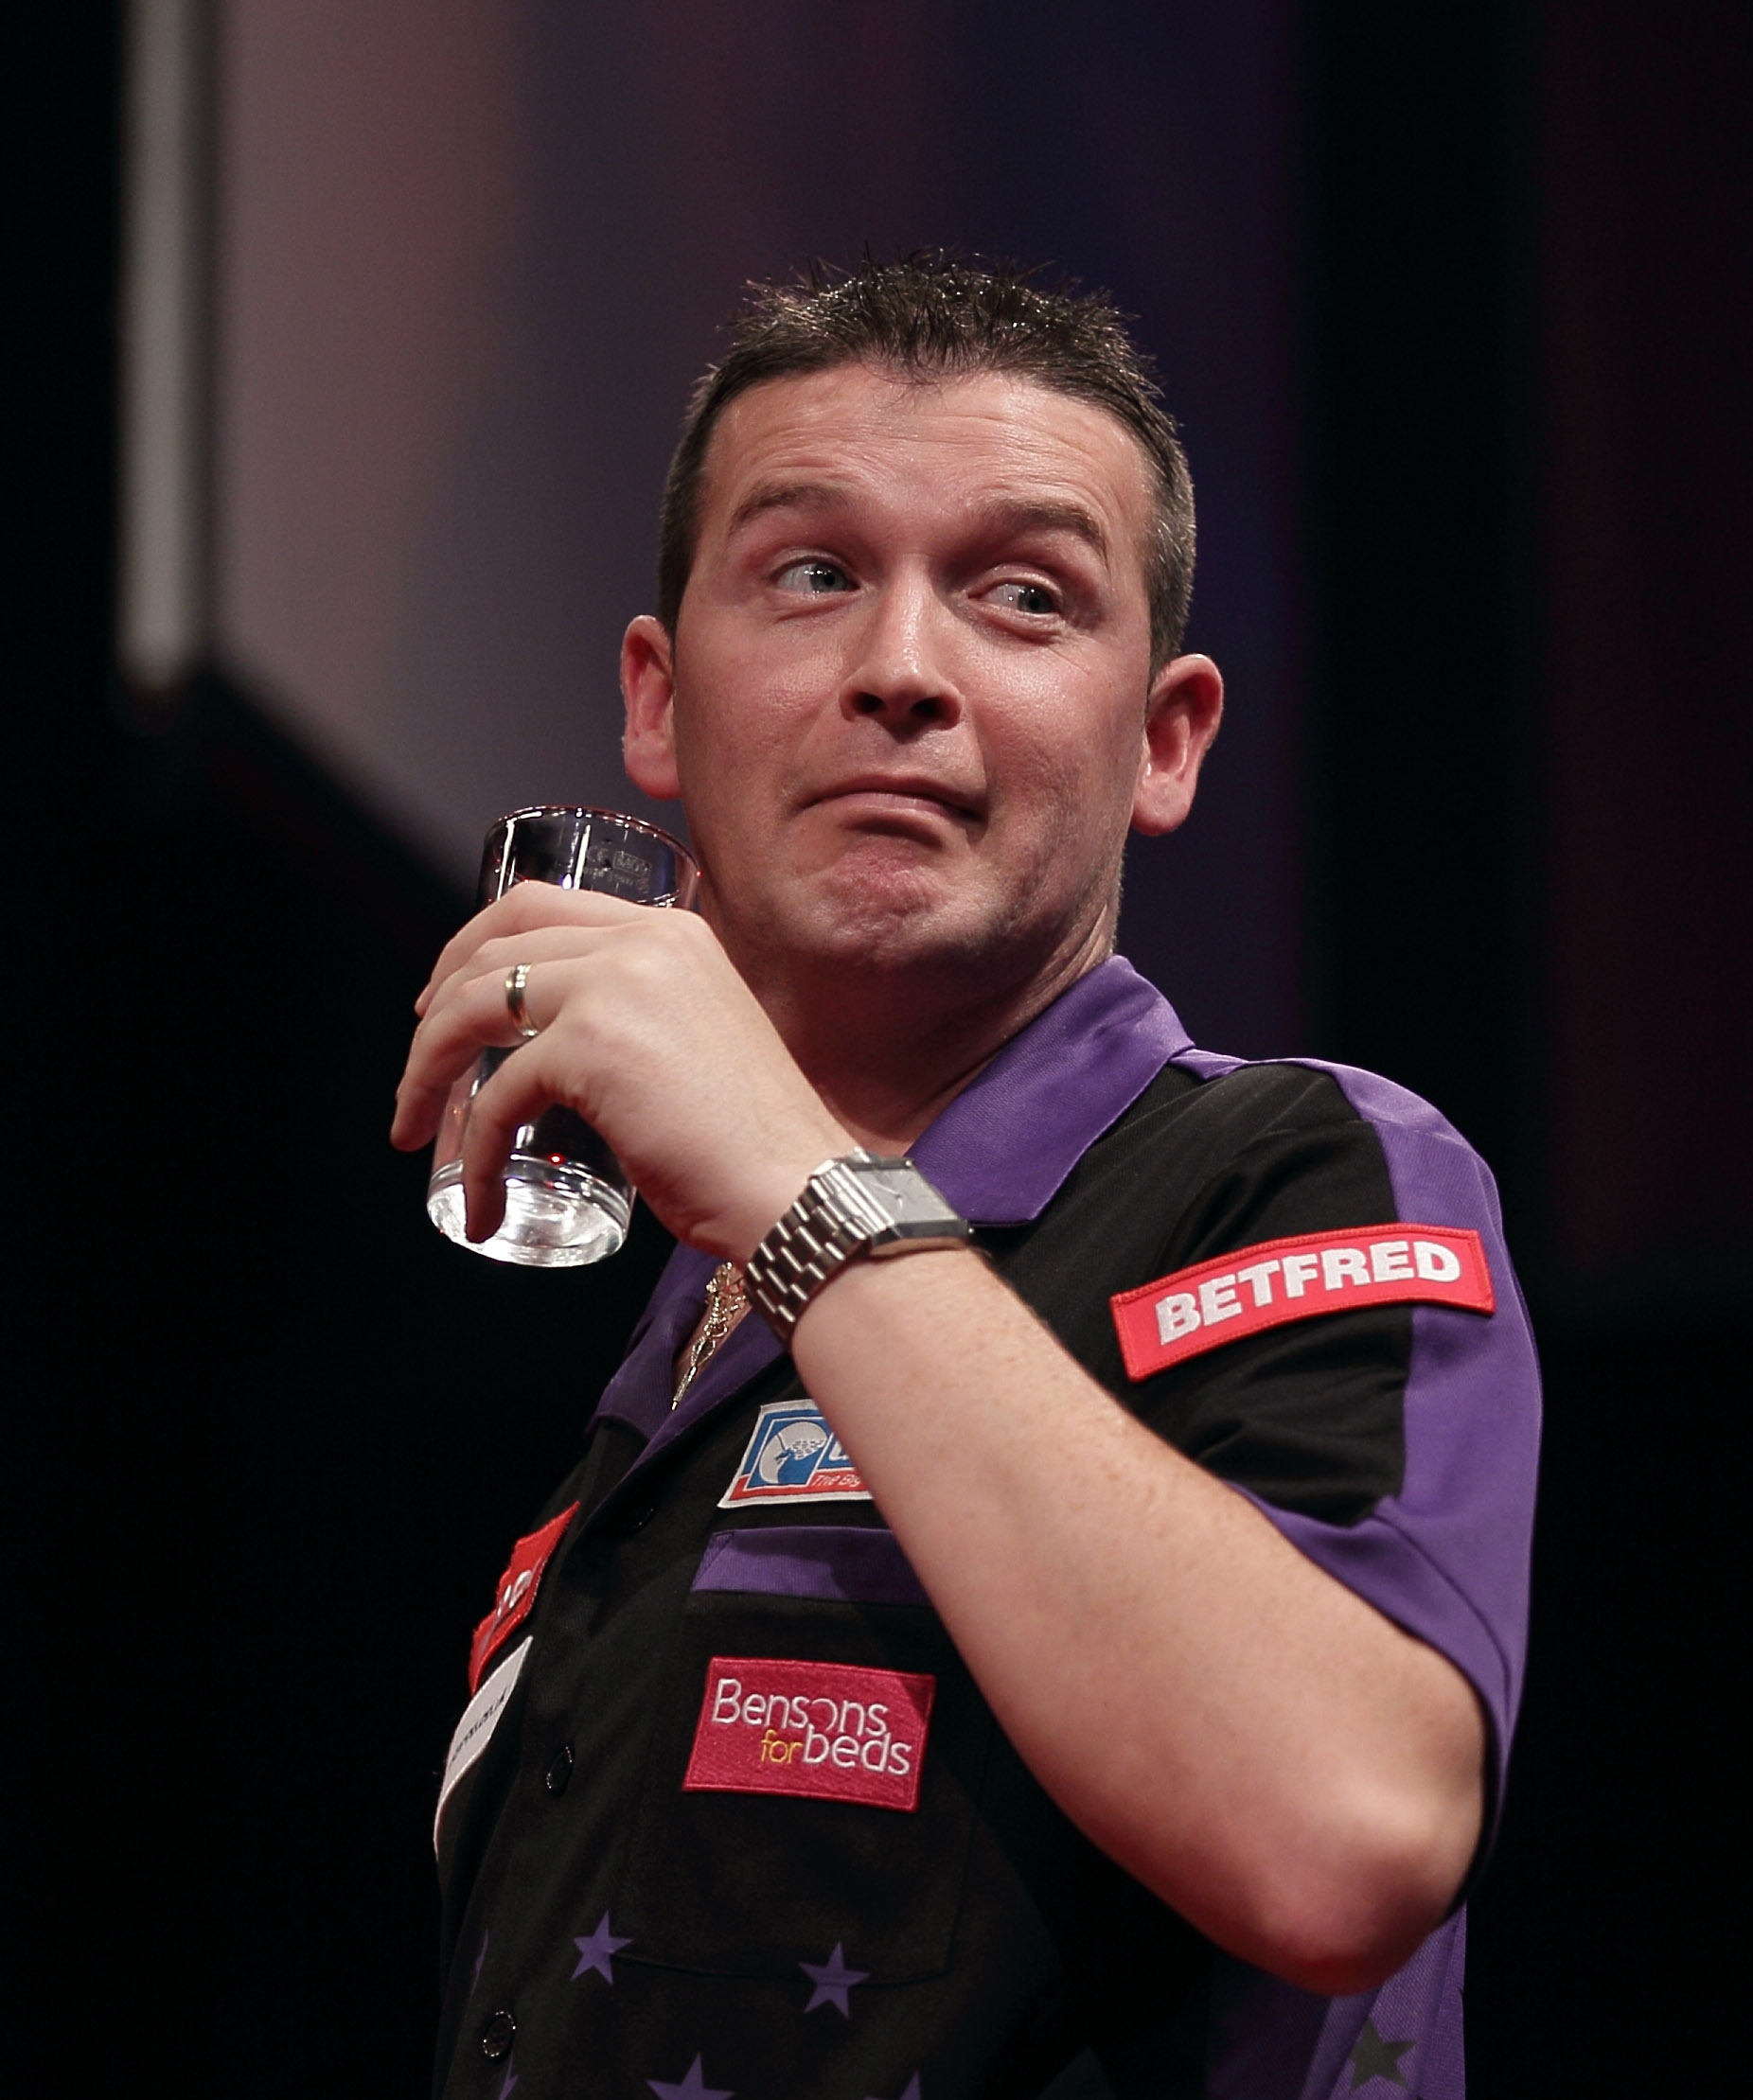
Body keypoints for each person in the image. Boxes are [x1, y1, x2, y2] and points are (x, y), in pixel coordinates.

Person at [393, 256, 1538, 2100]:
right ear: (658, 702)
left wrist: (797, 1176)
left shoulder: (1301, 1172)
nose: (902, 671)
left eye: (1022, 595)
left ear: (1161, 739)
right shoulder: (674, 1349)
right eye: (811, 573)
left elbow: (1346, 1834)